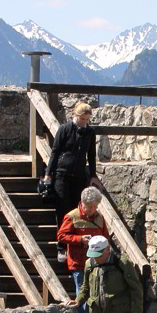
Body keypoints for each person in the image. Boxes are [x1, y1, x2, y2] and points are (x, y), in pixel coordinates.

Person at [44, 102, 98, 263]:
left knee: (77, 211)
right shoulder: (65, 129)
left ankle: (75, 245)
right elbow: (55, 152)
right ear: (75, 116)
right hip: (62, 175)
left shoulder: (90, 132)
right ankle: (61, 246)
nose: (84, 122)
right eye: (82, 119)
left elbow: (92, 155)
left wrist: (93, 175)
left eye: (87, 119)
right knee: (62, 210)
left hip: (79, 176)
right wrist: (48, 174)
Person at [57, 186, 109, 313]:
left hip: (96, 262)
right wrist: (80, 240)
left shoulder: (99, 218)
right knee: (83, 295)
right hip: (79, 263)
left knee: (99, 294)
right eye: (90, 206)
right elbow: (61, 236)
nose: (93, 210)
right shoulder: (72, 216)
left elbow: (106, 237)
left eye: (95, 206)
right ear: (83, 203)